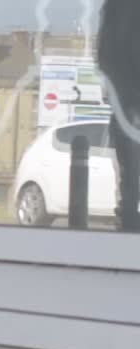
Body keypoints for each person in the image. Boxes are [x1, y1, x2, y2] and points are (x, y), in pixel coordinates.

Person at [98, 0, 140, 231]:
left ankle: (129, 220)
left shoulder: (116, 7)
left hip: (125, 99)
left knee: (130, 172)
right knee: (131, 170)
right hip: (130, 98)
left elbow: (105, 56)